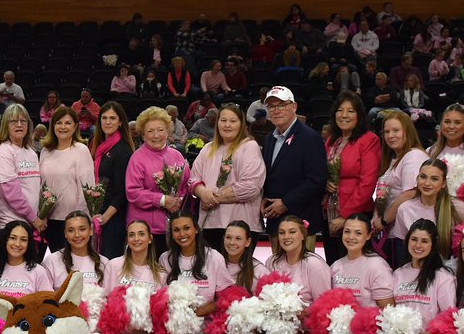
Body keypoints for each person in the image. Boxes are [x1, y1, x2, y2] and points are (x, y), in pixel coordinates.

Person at [374, 219, 455, 334]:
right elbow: (390, 312)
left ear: (433, 244)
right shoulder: (398, 273)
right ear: (408, 240)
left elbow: (448, 318)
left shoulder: (443, 277)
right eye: (414, 239)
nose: (418, 245)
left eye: (424, 241)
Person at [156, 212, 234, 334]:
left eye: (186, 228)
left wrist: (201, 311)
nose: (182, 234)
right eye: (176, 230)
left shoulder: (213, 257)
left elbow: (227, 297)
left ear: (196, 229)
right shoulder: (166, 258)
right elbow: (160, 297)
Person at [259, 217, 331, 334]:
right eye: (282, 233)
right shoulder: (272, 262)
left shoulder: (313, 264)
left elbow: (326, 304)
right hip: (283, 331)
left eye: (292, 232)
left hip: (309, 331)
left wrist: (302, 313)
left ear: (303, 235)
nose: (286, 237)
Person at [328, 213, 394, 334]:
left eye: (358, 233)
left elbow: (388, 310)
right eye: (347, 232)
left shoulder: (376, 265)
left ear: (368, 236)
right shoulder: (336, 266)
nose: (351, 237)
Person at [188, 104, 266, 250]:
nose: (227, 125)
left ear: (241, 124)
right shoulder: (208, 148)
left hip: (241, 225)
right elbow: (193, 179)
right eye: (223, 120)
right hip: (209, 223)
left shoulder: (249, 147)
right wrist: (202, 192)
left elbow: (251, 187)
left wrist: (212, 198)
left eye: (233, 121)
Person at [260, 86, 327, 239]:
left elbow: (317, 181)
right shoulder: (269, 139)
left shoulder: (310, 137)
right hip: (275, 221)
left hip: (301, 221)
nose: (276, 110)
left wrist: (285, 203)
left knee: (302, 263)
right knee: (275, 263)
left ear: (294, 107)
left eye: (282, 105)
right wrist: (264, 197)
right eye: (271, 106)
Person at [324, 92, 381, 263]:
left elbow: (368, 182)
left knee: (353, 264)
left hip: (355, 215)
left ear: (359, 115)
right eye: (340, 110)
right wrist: (325, 183)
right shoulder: (331, 140)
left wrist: (345, 217)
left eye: (350, 111)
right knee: (333, 264)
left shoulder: (369, 140)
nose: (344, 115)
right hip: (328, 213)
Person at [127, 107, 191, 253]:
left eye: (160, 130)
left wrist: (178, 200)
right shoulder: (137, 158)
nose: (156, 135)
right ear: (143, 135)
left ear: (168, 132)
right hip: (146, 230)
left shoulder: (177, 155)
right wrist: (163, 200)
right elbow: (133, 192)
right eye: (150, 131)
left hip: (175, 228)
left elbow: (185, 185)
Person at [393, 159, 464, 261]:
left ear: (443, 183)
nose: (427, 183)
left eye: (434, 179)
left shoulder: (459, 209)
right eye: (423, 177)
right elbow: (401, 248)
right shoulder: (404, 209)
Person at [374, 111, 429, 253]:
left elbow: (409, 194)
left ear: (407, 131)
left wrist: (384, 220)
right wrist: (376, 217)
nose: (390, 135)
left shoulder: (414, 156)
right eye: (386, 131)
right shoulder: (393, 158)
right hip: (392, 233)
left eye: (396, 130)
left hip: (407, 234)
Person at [38, 107, 92, 252]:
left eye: (68, 123)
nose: (63, 127)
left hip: (71, 221)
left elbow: (87, 189)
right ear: (53, 126)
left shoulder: (81, 150)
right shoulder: (45, 151)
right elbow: (41, 186)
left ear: (75, 127)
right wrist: (41, 215)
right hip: (48, 221)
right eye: (59, 123)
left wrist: (78, 221)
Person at [0, 104, 44, 244]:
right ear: (6, 126)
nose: (19, 124)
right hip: (8, 226)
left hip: (29, 224)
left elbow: (34, 189)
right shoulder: (4, 152)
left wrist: (40, 214)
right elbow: (10, 193)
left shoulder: (31, 153)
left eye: (23, 121)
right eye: (14, 121)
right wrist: (34, 218)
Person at [91, 102, 135, 259]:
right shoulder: (101, 147)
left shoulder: (122, 150)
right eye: (104, 118)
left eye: (112, 118)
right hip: (100, 215)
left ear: (120, 122)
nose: (108, 122)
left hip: (113, 219)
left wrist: (105, 217)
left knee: (110, 263)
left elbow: (122, 191)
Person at [43, 210, 109, 289]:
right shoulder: (51, 261)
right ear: (65, 233)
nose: (77, 235)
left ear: (91, 231)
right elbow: (45, 296)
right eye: (71, 230)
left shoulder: (104, 262)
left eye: (82, 229)